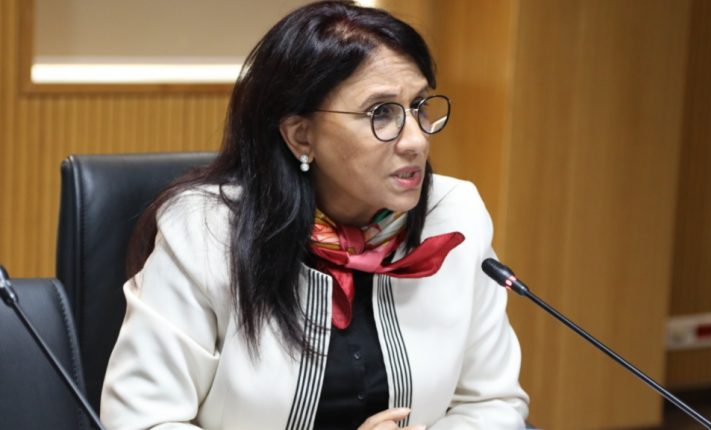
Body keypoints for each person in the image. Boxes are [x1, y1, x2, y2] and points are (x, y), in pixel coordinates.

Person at [100, 2, 529, 429]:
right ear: (301, 135)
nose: (416, 141)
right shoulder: (205, 231)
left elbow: (493, 402)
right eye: (381, 113)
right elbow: (142, 421)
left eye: (419, 106)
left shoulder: (455, 214)